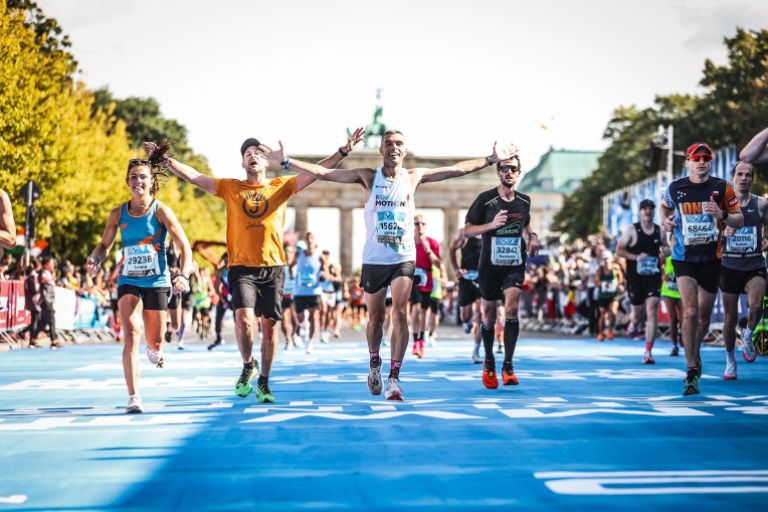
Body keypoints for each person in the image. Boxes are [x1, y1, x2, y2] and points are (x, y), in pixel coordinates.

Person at [266, 130, 516, 400]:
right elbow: (324, 174)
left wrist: (491, 159)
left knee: (399, 314)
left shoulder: (413, 176)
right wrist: (287, 161)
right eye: (388, 144)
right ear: (381, 150)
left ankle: (394, 378)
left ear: (404, 151)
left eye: (399, 144)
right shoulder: (368, 176)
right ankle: (375, 362)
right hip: (374, 259)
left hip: (402, 258)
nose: (394, 148)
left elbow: (455, 169)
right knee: (376, 319)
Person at [157, 129, 364, 403]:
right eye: (247, 154)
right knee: (244, 321)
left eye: (257, 153)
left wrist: (343, 151)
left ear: (266, 162)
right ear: (243, 164)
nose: (252, 155)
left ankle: (264, 381)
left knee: (269, 327)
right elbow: (195, 177)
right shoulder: (230, 187)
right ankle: (247, 366)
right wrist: (166, 160)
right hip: (241, 266)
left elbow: (317, 173)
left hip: (273, 267)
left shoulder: (281, 185)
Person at [86, 155, 192, 414]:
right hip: (129, 279)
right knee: (131, 334)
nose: (138, 181)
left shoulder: (161, 211)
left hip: (157, 280)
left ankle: (156, 347)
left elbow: (184, 246)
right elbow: (104, 245)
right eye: (133, 177)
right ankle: (134, 396)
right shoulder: (117, 213)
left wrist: (184, 274)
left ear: (151, 182)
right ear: (127, 181)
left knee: (155, 343)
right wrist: (95, 258)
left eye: (143, 176)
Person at [661, 142, 743, 396]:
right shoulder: (676, 188)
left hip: (711, 258)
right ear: (687, 162)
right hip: (683, 257)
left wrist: (721, 214)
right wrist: (666, 220)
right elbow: (665, 206)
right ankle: (691, 369)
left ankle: (694, 353)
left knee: (703, 318)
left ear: (710, 161)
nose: (701, 162)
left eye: (706, 158)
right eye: (696, 158)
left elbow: (739, 219)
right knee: (690, 312)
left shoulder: (721, 187)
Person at [463, 154, 539, 389]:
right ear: (498, 172)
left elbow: (525, 226)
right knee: (488, 315)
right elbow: (467, 231)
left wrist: (533, 236)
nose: (509, 172)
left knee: (512, 308)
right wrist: (491, 225)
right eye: (504, 168)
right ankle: (489, 361)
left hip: (514, 263)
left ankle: (508, 364)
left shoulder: (525, 200)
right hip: (489, 265)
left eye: (513, 169)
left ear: (519, 172)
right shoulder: (485, 200)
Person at [720, 161, 766, 379]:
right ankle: (730, 361)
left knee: (756, 306)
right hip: (729, 266)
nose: (744, 178)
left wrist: (766, 238)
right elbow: (709, 234)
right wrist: (722, 234)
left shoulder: (761, 204)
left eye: (748, 175)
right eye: (740, 174)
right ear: (733, 177)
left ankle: (748, 334)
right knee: (729, 318)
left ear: (752, 179)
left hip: (754, 264)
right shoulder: (721, 204)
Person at [615, 199, 671, 364]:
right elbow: (619, 250)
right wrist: (635, 257)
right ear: (640, 212)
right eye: (644, 209)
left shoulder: (658, 231)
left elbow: (666, 249)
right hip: (635, 278)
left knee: (652, 311)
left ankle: (648, 351)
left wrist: (665, 252)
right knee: (638, 314)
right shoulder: (632, 230)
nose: (648, 211)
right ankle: (633, 323)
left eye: (650, 209)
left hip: (653, 277)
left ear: (654, 212)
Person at [410, 214, 441, 358]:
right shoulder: (408, 243)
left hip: (427, 279)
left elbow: (438, 264)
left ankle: (421, 340)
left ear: (426, 226)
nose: (420, 226)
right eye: (417, 224)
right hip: (412, 280)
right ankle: (415, 340)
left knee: (423, 312)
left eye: (422, 224)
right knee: (416, 309)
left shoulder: (432, 243)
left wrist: (427, 248)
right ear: (413, 226)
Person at [450, 228, 483, 363]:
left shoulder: (490, 231)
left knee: (481, 314)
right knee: (465, 316)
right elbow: (451, 249)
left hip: (482, 278)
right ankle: (467, 322)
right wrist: (456, 269)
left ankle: (476, 350)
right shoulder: (464, 233)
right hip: (466, 278)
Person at [291, 232, 324, 353]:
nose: (310, 241)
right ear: (305, 241)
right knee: (300, 318)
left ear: (315, 241)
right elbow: (291, 265)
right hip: (300, 291)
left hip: (314, 291)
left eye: (312, 238)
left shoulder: (320, 256)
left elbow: (325, 269)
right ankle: (303, 325)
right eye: (308, 239)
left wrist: (323, 275)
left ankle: (310, 342)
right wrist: (290, 272)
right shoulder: (299, 254)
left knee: (314, 316)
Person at [661, 255, 683, 356]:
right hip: (668, 292)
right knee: (673, 319)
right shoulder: (668, 259)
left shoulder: (685, 257)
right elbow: (666, 277)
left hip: (682, 293)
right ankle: (674, 345)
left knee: (684, 320)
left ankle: (683, 338)